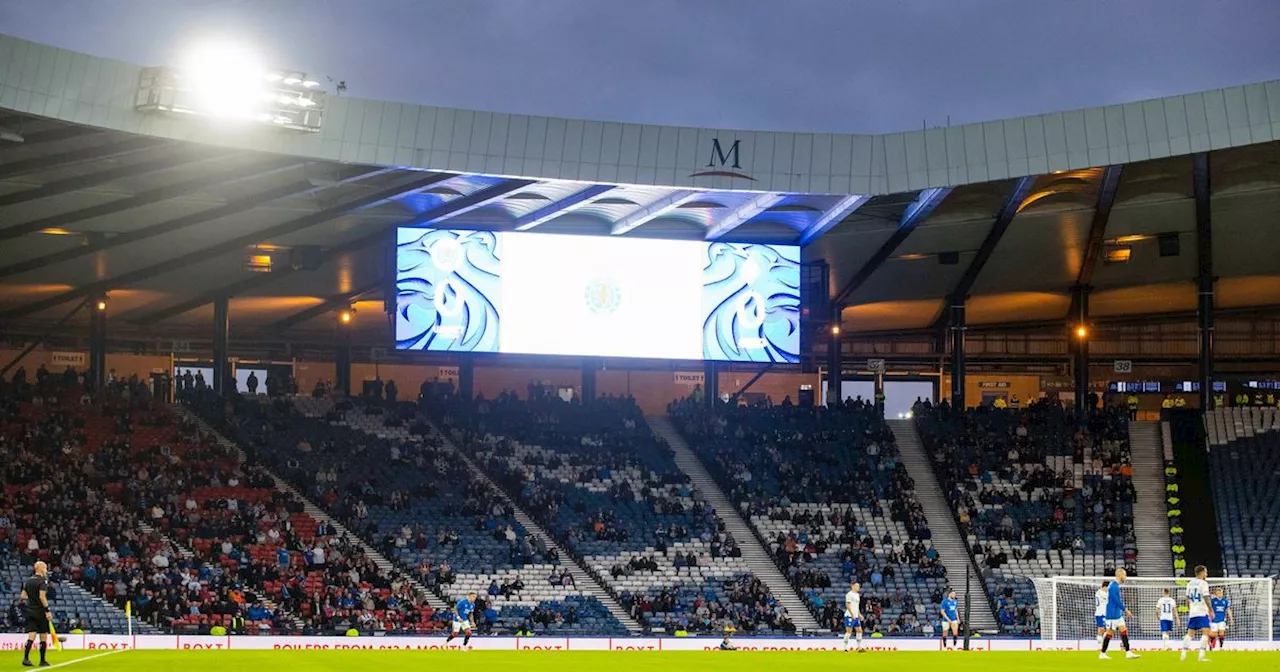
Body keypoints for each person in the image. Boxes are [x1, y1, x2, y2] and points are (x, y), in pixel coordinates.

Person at [1099, 568, 1139, 659]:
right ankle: (1102, 653)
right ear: (1120, 575)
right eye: (1124, 575)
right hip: (1112, 614)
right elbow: (1117, 601)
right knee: (1109, 633)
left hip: (1117, 614)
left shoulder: (1115, 585)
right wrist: (1126, 610)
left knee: (1124, 631)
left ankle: (1128, 652)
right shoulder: (1113, 586)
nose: (1126, 577)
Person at [20, 561, 52, 667]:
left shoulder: (28, 581)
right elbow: (42, 596)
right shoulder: (43, 581)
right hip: (40, 612)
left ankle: (26, 658)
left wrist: (32, 599)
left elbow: (23, 596)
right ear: (40, 568)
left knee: (31, 636)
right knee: (43, 636)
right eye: (45, 568)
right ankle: (42, 661)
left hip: (30, 611)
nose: (46, 570)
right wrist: (47, 610)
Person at [1182, 565, 1213, 662]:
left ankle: (1183, 654)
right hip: (1202, 612)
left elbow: (1186, 599)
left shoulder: (1190, 583)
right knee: (1205, 633)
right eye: (1206, 572)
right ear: (1202, 572)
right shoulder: (1203, 583)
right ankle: (1201, 656)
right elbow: (1206, 597)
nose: (1206, 574)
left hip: (1192, 612)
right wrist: (1210, 610)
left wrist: (1189, 608)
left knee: (1190, 634)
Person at [842, 581, 864, 652]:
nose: (858, 587)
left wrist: (859, 614)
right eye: (857, 586)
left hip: (856, 616)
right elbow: (847, 605)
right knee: (849, 631)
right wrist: (852, 614)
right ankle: (845, 648)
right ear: (853, 586)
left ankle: (859, 647)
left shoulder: (857, 595)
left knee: (859, 630)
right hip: (849, 616)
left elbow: (856, 606)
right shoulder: (849, 594)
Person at [1094, 579, 1110, 649]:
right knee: (1101, 629)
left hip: (1104, 613)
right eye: (1108, 588)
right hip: (1100, 613)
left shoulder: (1099, 592)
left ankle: (1102, 643)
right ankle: (1099, 645)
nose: (1108, 590)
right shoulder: (1101, 593)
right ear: (1104, 587)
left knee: (1106, 629)